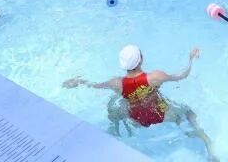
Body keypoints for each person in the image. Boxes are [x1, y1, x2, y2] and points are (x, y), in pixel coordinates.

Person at [62, 45, 217, 161]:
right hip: (160, 115)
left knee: (113, 104)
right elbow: (182, 75)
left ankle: (114, 131)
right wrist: (191, 58)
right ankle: (209, 146)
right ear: (141, 58)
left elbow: (94, 85)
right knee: (188, 112)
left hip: (136, 118)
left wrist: (78, 81)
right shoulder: (155, 77)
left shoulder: (116, 83)